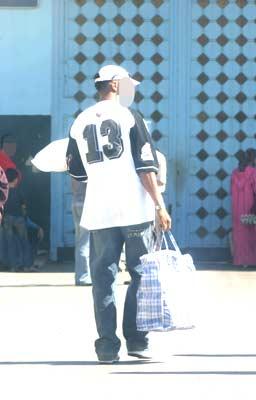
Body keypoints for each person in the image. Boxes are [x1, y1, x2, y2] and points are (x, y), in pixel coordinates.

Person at [66, 64, 171, 364]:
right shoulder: (130, 117)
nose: (131, 89)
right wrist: (160, 205)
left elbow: (76, 174)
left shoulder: (80, 121)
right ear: (113, 84)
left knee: (102, 278)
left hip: (99, 213)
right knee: (139, 275)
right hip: (134, 211)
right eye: (127, 84)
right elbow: (146, 168)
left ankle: (107, 347)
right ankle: (137, 341)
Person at [231, 150, 256, 267]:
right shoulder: (253, 173)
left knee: (239, 235)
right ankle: (253, 260)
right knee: (252, 234)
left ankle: (240, 260)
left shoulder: (234, 174)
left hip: (237, 209)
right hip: (250, 207)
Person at [71, 179, 91, 285]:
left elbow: (73, 188)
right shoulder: (89, 166)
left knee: (80, 241)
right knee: (85, 241)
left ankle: (80, 275)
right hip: (87, 205)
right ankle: (83, 277)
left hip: (76, 203)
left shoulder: (74, 168)